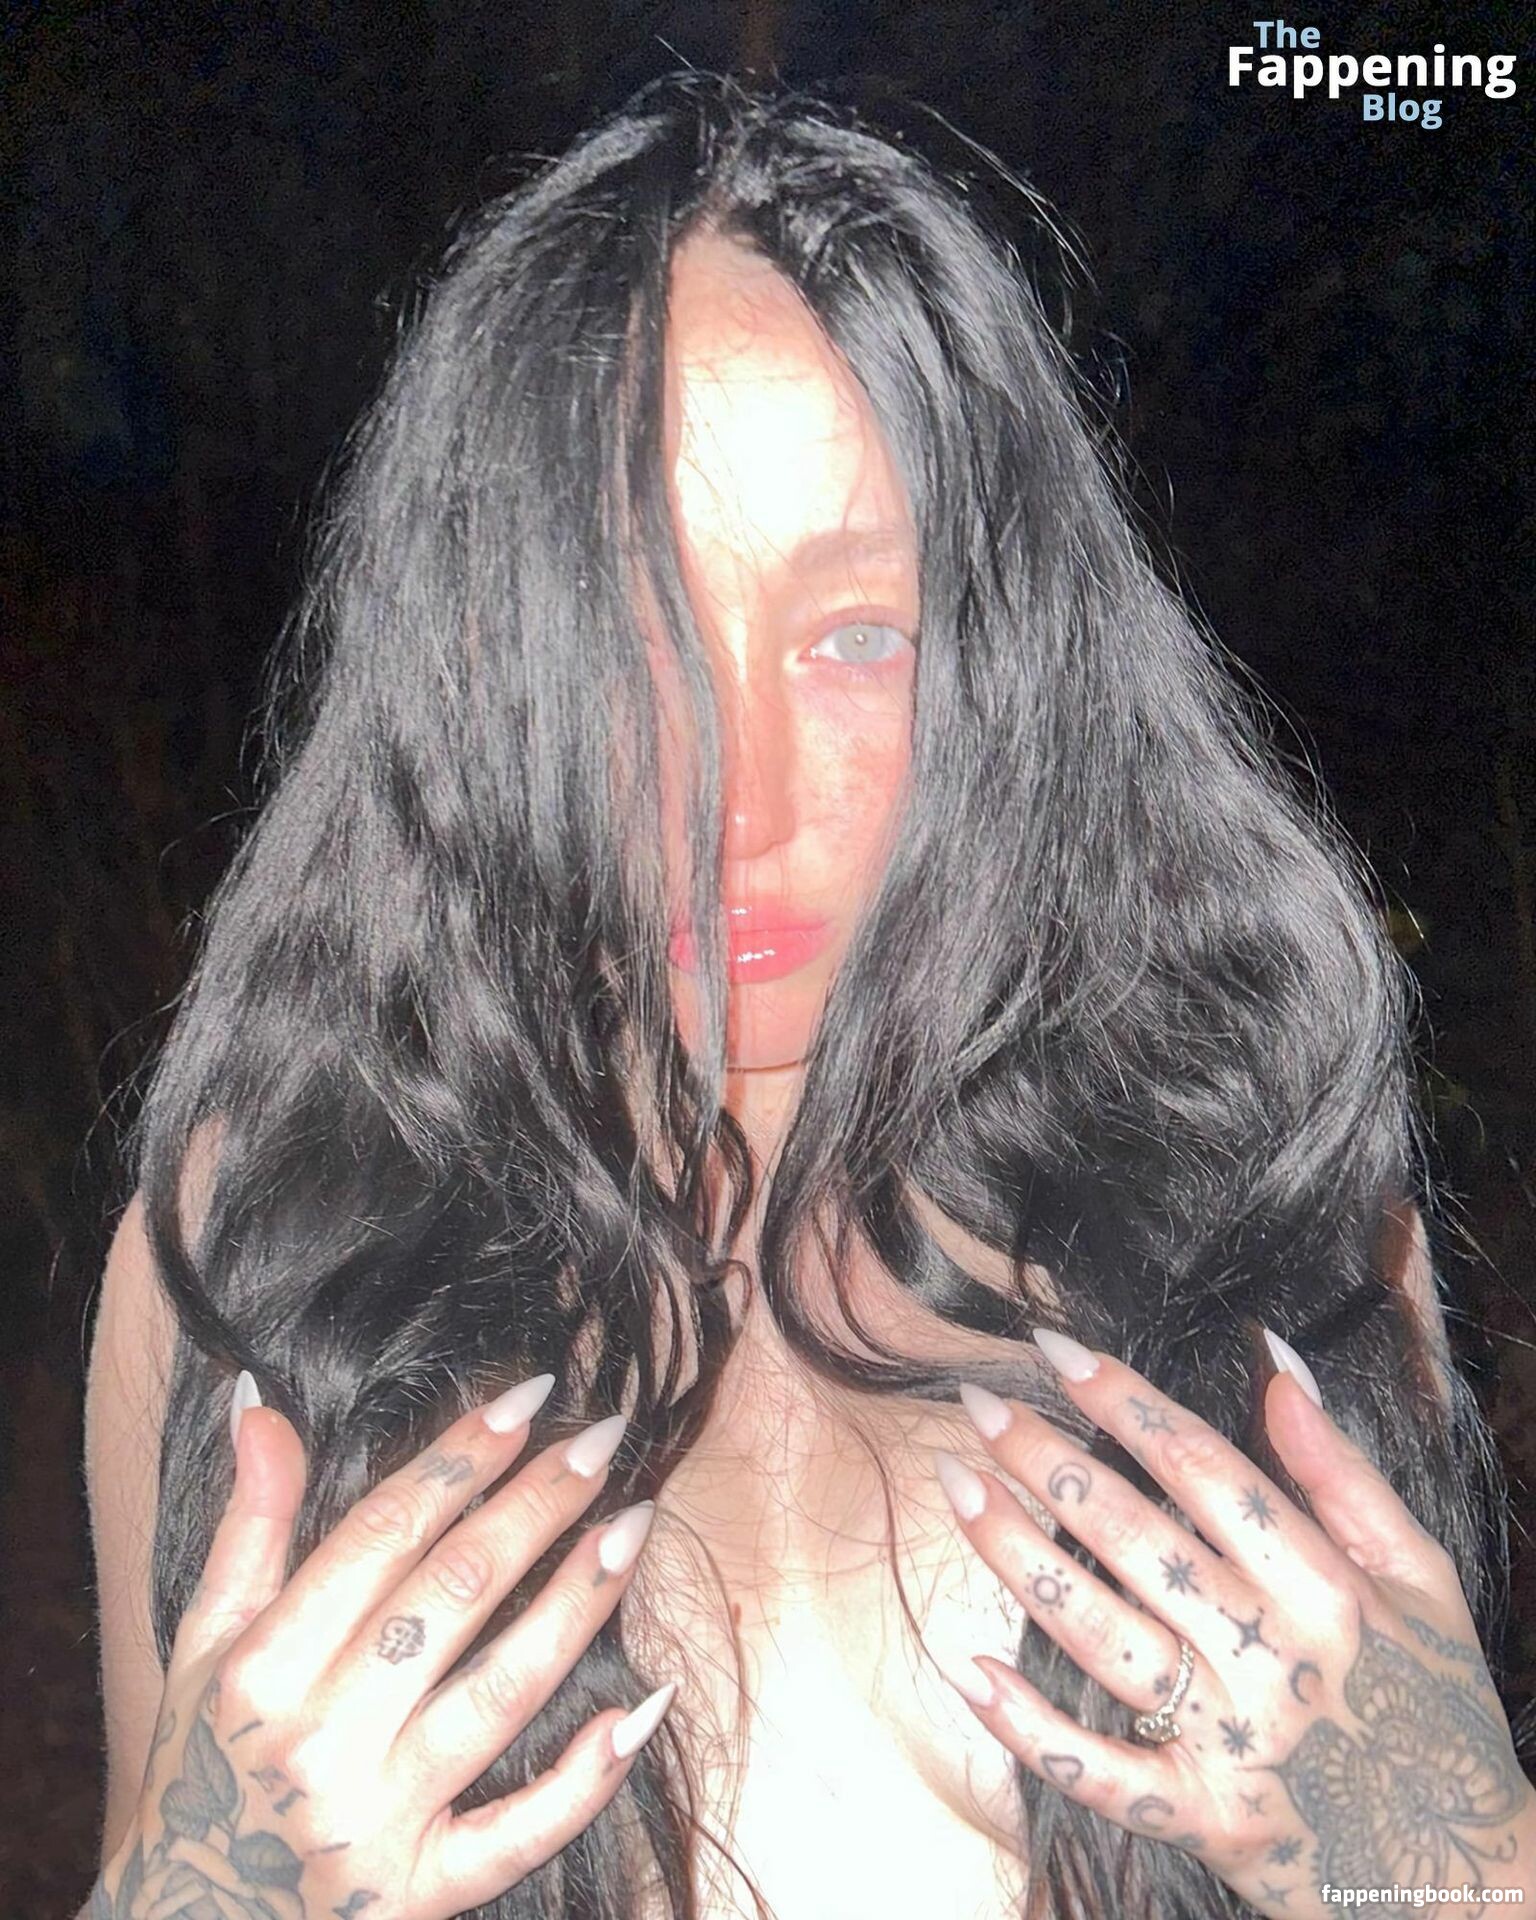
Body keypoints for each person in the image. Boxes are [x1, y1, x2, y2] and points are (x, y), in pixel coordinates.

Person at [81, 70, 1531, 1920]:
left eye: (855, 638)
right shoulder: (257, 1262)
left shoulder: (1265, 1221)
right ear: (474, 661)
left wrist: (1468, 1872)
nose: (734, 804)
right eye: (629, 635)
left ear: (1013, 662)